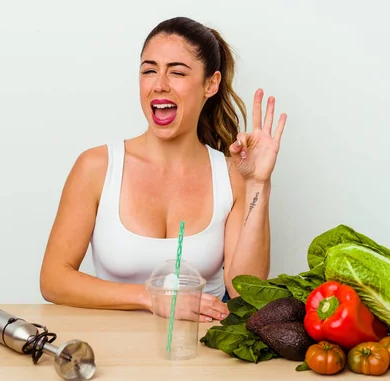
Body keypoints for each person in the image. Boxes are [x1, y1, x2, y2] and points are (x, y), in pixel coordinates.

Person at [39, 16, 287, 323]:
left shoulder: (231, 176)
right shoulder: (97, 167)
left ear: (210, 84)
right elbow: (53, 279)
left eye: (177, 73)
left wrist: (259, 183)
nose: (159, 85)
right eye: (149, 70)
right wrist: (150, 299)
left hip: (199, 352)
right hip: (114, 351)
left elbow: (245, 291)